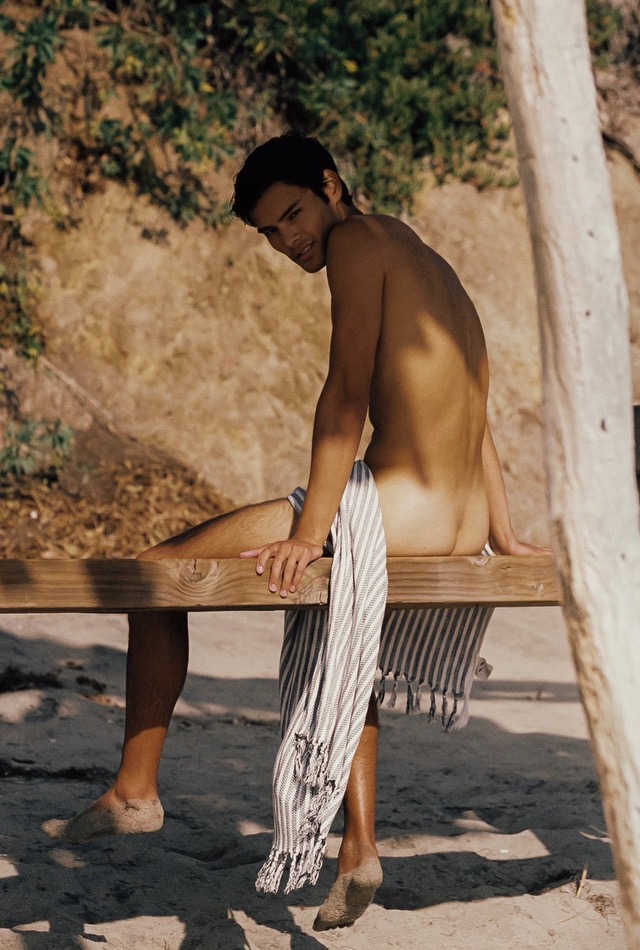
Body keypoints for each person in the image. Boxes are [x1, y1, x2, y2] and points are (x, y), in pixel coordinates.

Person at [44, 134, 548, 930]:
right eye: (270, 232)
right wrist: (507, 535)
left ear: (331, 186)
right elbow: (475, 409)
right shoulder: (428, 261)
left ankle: (135, 791)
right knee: (343, 631)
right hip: (459, 523)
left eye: (293, 215)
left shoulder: (356, 244)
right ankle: (359, 849)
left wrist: (311, 534)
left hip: (395, 510)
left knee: (154, 572)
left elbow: (344, 393)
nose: (288, 240)